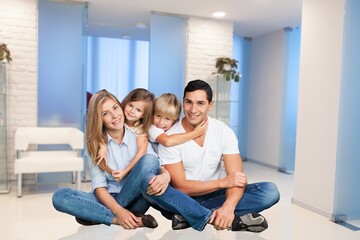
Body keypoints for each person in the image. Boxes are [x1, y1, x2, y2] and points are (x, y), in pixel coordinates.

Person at [52, 89, 212, 231]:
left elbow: (155, 164)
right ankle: (123, 219)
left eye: (115, 108)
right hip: (108, 198)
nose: (114, 115)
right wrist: (119, 212)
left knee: (149, 163)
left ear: (120, 105)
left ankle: (94, 214)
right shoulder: (95, 144)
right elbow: (99, 188)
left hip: (137, 198)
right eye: (105, 113)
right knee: (60, 196)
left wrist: (165, 176)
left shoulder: (139, 134)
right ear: (99, 119)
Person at [158, 79, 280, 232]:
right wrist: (223, 183)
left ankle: (191, 216)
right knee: (157, 193)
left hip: (214, 195)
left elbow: (236, 178)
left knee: (270, 191)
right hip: (184, 198)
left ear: (210, 105)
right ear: (183, 102)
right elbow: (181, 187)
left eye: (200, 103)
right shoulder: (171, 137)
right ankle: (232, 220)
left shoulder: (223, 131)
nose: (193, 109)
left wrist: (229, 207)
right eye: (189, 102)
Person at [97, 88, 155, 181]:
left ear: (143, 115)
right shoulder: (117, 119)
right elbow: (99, 130)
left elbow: (141, 152)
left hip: (138, 171)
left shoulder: (139, 129)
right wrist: (102, 145)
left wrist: (125, 171)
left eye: (138, 110)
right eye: (130, 105)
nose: (132, 111)